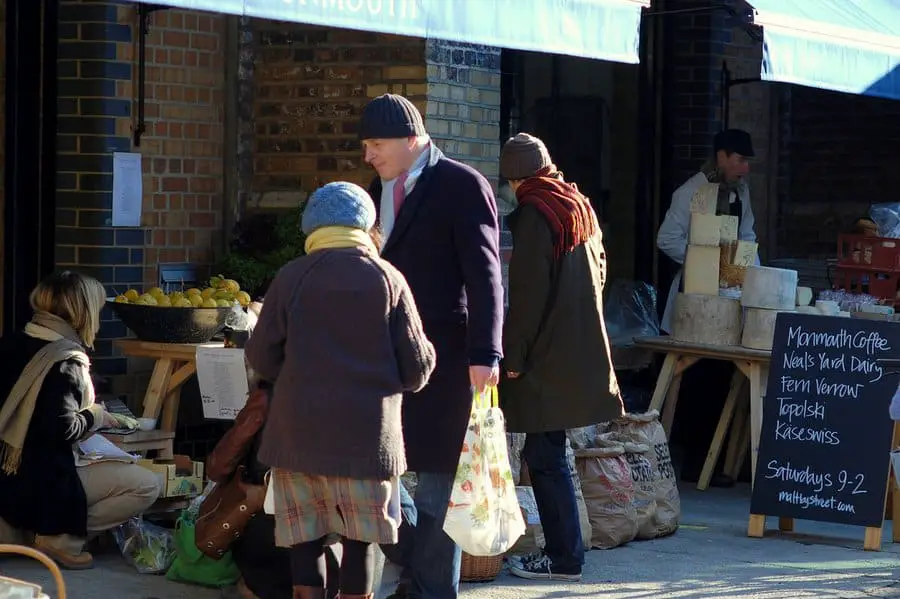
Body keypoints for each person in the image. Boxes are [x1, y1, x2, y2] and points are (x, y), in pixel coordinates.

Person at [245, 181, 437, 599]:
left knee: (305, 540)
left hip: (297, 438)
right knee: (359, 542)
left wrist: (297, 374)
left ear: (311, 228)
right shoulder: (388, 278)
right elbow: (418, 368)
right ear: (367, 226)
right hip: (366, 443)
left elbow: (261, 356)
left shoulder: (291, 276)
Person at [359, 93, 504, 599]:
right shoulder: (373, 190)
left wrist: (486, 354)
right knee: (382, 468)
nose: (368, 155)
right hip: (385, 356)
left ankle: (432, 589)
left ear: (410, 138)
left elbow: (486, 276)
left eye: (376, 144)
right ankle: (412, 566)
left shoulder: (462, 185)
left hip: (447, 355)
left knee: (442, 478)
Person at [497, 133, 624, 581]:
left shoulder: (535, 215)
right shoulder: (577, 205)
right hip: (577, 344)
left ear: (514, 178)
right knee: (548, 450)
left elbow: (528, 295)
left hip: (547, 353)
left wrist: (513, 356)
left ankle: (563, 557)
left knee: (545, 455)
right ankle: (564, 552)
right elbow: (603, 269)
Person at [0, 271, 161, 569]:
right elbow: (63, 429)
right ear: (83, 313)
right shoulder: (65, 360)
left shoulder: (12, 341)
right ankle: (56, 537)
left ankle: (23, 531)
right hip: (46, 477)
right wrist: (96, 415)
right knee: (147, 484)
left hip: (8, 473)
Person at [656, 128, 758, 487]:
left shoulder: (742, 195)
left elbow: (748, 238)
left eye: (747, 161)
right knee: (696, 382)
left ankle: (716, 461)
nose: (744, 168)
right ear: (721, 156)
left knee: (721, 378)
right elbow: (667, 238)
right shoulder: (690, 193)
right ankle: (690, 461)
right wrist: (703, 260)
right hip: (693, 302)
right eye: (739, 160)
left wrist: (747, 272)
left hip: (727, 301)